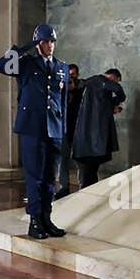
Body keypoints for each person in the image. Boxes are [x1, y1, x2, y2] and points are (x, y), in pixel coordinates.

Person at [0, 23, 70, 239]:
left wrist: (62, 129)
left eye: (53, 41)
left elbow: (62, 101)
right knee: (35, 177)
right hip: (32, 128)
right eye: (46, 41)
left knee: (49, 178)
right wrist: (26, 46)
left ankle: (46, 218)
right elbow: (0, 65)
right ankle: (34, 221)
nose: (50, 45)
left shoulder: (62, 67)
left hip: (54, 129)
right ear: (39, 43)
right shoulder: (26, 64)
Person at [72, 67, 127, 186]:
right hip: (94, 140)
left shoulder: (89, 83)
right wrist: (117, 101)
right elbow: (119, 92)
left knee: (87, 172)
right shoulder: (103, 83)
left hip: (84, 139)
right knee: (89, 171)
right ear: (114, 78)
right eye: (116, 81)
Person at [55, 63, 82, 198]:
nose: (71, 77)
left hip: (78, 131)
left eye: (73, 75)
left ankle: (83, 185)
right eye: (69, 75)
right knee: (63, 160)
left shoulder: (82, 90)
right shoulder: (60, 90)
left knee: (81, 161)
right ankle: (63, 187)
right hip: (64, 131)